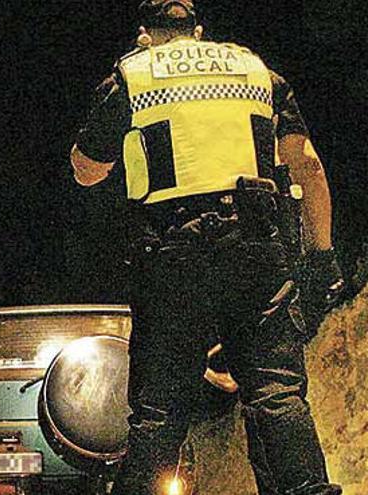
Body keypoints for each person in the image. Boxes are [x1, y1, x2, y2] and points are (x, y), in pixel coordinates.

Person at [69, 1, 344, 494]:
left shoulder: (133, 75)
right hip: (257, 249)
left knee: (160, 411)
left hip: (173, 255)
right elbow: (308, 167)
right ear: (198, 32)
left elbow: (87, 171)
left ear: (144, 34)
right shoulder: (256, 71)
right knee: (276, 392)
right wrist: (322, 255)